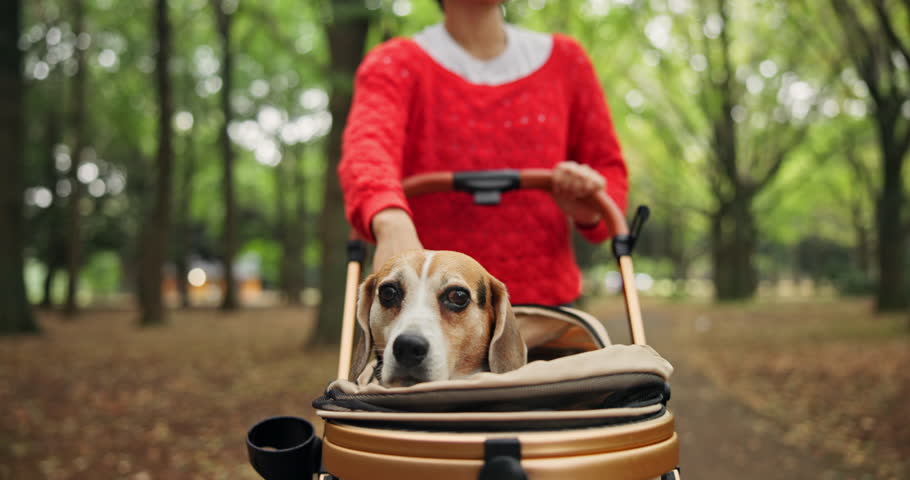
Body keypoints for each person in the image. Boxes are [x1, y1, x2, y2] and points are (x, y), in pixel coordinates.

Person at [338, 0, 628, 307]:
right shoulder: (394, 64)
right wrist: (390, 220)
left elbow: (610, 172)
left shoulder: (567, 61)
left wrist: (589, 207)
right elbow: (367, 151)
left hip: (549, 314)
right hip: (427, 315)